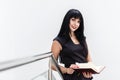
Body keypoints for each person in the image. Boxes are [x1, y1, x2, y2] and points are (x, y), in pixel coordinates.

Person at [51, 9, 93, 80]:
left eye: (78, 21)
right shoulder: (58, 41)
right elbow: (52, 64)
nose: (75, 24)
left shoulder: (82, 39)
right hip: (71, 78)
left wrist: (89, 71)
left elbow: (89, 60)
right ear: (67, 20)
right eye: (73, 20)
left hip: (86, 78)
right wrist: (66, 70)